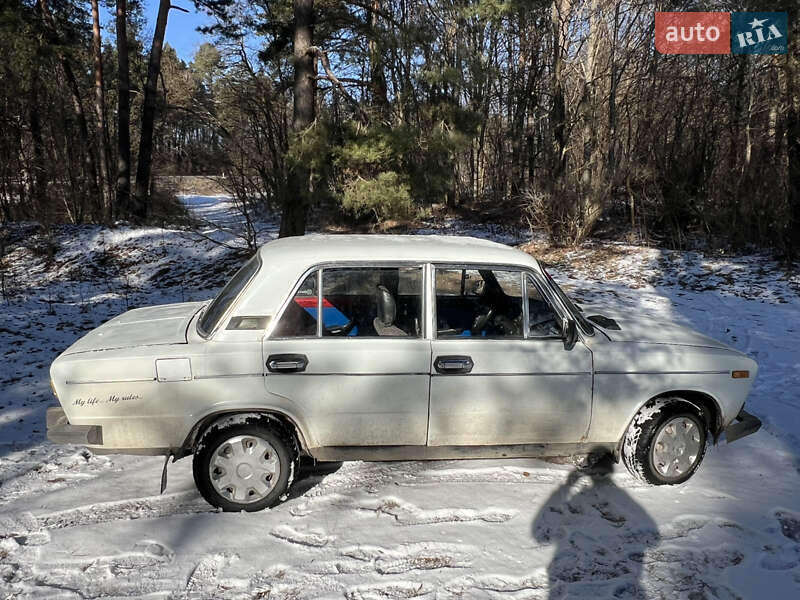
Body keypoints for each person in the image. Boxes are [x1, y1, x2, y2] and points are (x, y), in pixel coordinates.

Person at [532, 455, 661, 598]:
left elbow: (539, 535)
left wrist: (568, 486)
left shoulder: (613, 497)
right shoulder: (619, 496)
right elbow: (654, 537)